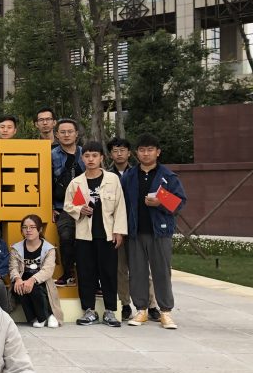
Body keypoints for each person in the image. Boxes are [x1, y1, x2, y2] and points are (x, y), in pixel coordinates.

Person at [122, 134, 187, 330]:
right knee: (137, 272)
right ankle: (141, 309)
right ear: (136, 153)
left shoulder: (168, 176)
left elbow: (180, 202)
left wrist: (161, 201)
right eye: (142, 150)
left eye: (150, 150)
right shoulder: (129, 176)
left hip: (160, 232)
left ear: (158, 152)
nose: (146, 153)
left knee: (162, 272)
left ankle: (165, 312)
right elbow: (121, 203)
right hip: (135, 232)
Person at [64, 142, 128, 328]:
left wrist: (119, 231)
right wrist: (79, 210)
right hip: (84, 235)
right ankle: (89, 310)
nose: (90, 159)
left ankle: (110, 311)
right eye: (87, 156)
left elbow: (120, 206)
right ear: (82, 158)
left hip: (107, 234)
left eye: (94, 156)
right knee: (86, 272)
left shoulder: (112, 179)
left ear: (101, 158)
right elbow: (68, 205)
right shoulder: (76, 182)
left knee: (109, 272)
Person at [107, 136, 159, 321]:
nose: (119, 154)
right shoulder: (107, 176)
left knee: (144, 269)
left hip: (138, 227)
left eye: (122, 150)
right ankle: (125, 304)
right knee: (120, 268)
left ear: (130, 153)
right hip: (117, 228)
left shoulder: (138, 172)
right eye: (115, 151)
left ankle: (151, 305)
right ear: (110, 154)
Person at [9, 214, 63, 327]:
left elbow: (47, 271)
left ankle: (45, 317)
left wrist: (32, 280)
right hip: (23, 280)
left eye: (32, 227)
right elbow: (13, 267)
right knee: (20, 286)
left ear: (40, 229)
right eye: (25, 227)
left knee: (34, 286)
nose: (28, 230)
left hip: (41, 281)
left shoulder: (49, 249)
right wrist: (17, 279)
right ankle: (39, 317)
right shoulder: (16, 248)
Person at [51, 119, 84, 286]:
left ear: (76, 134)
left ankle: (93, 279)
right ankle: (68, 273)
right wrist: (50, 207)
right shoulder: (51, 155)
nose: (66, 135)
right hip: (63, 206)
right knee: (65, 237)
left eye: (70, 131)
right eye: (62, 132)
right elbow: (45, 182)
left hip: (86, 205)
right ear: (56, 134)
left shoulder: (86, 153)